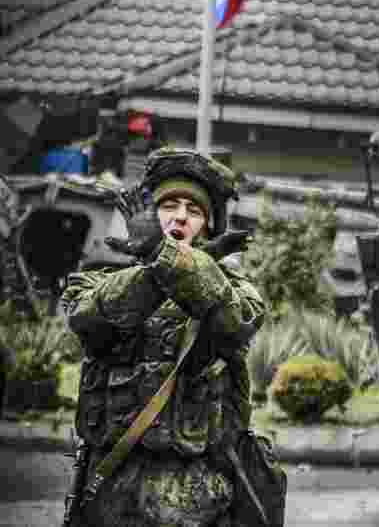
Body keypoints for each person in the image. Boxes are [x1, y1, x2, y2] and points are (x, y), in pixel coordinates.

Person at [60, 147, 277, 527]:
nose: (180, 216)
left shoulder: (234, 289)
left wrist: (168, 256)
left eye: (194, 211)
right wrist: (162, 262)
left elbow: (236, 322)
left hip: (195, 494)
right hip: (110, 491)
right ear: (143, 218)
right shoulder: (96, 279)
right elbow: (88, 318)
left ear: (209, 227)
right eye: (168, 206)